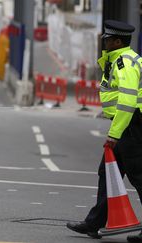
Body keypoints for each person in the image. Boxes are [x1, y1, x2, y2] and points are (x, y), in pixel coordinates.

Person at [66, 20, 142, 241]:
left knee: (138, 176)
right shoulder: (118, 60)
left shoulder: (124, 64)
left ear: (118, 41)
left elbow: (127, 103)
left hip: (132, 126)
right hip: (126, 124)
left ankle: (94, 223)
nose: (105, 43)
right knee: (107, 173)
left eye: (108, 40)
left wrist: (114, 135)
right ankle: (94, 223)